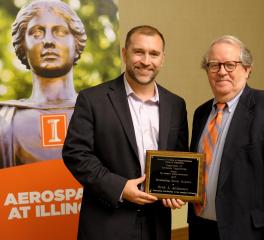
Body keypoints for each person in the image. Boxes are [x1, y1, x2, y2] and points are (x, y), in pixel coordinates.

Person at [62, 25, 188, 240]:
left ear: (162, 58)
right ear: (124, 53)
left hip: (157, 224)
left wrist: (176, 191)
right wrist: (120, 187)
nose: (146, 61)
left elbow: (179, 156)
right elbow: (76, 154)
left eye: (154, 54)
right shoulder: (92, 100)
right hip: (107, 223)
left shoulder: (176, 104)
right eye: (139, 52)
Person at [188, 35, 264, 240]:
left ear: (247, 69)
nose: (222, 72)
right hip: (201, 229)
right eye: (214, 65)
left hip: (249, 233)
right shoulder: (201, 113)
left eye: (230, 65)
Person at [0, 0, 86, 168]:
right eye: (37, 33)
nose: (48, 41)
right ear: (22, 45)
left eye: (60, 32)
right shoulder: (4, 121)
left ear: (76, 43)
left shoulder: (104, 114)